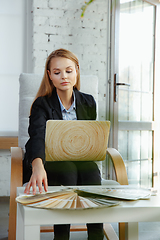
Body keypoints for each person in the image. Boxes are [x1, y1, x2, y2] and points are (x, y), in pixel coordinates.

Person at [23, 48, 104, 240]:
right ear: (50, 76)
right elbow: (36, 136)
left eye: (69, 71)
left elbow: (90, 137)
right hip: (49, 162)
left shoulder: (88, 102)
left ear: (76, 70)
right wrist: (37, 166)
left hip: (80, 160)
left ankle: (96, 234)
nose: (64, 77)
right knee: (68, 169)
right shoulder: (41, 104)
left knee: (92, 170)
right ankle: (61, 236)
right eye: (57, 72)